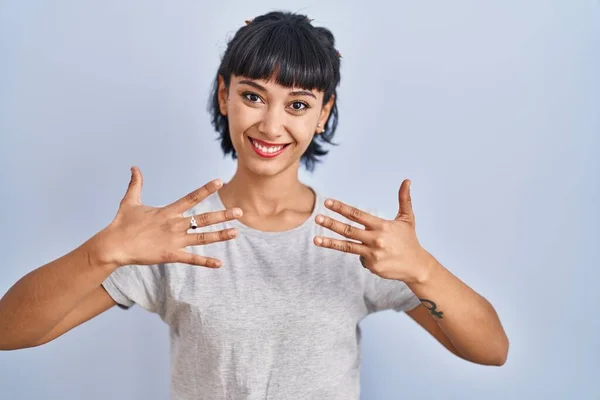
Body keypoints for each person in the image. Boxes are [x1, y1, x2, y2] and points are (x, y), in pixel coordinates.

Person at [0, 10, 509, 399]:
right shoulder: (172, 240)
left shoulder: (357, 242)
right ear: (224, 95)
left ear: (323, 113)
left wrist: (422, 270)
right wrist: (102, 253)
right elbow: (9, 333)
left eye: (298, 105)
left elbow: (491, 351)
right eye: (252, 95)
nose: (270, 126)